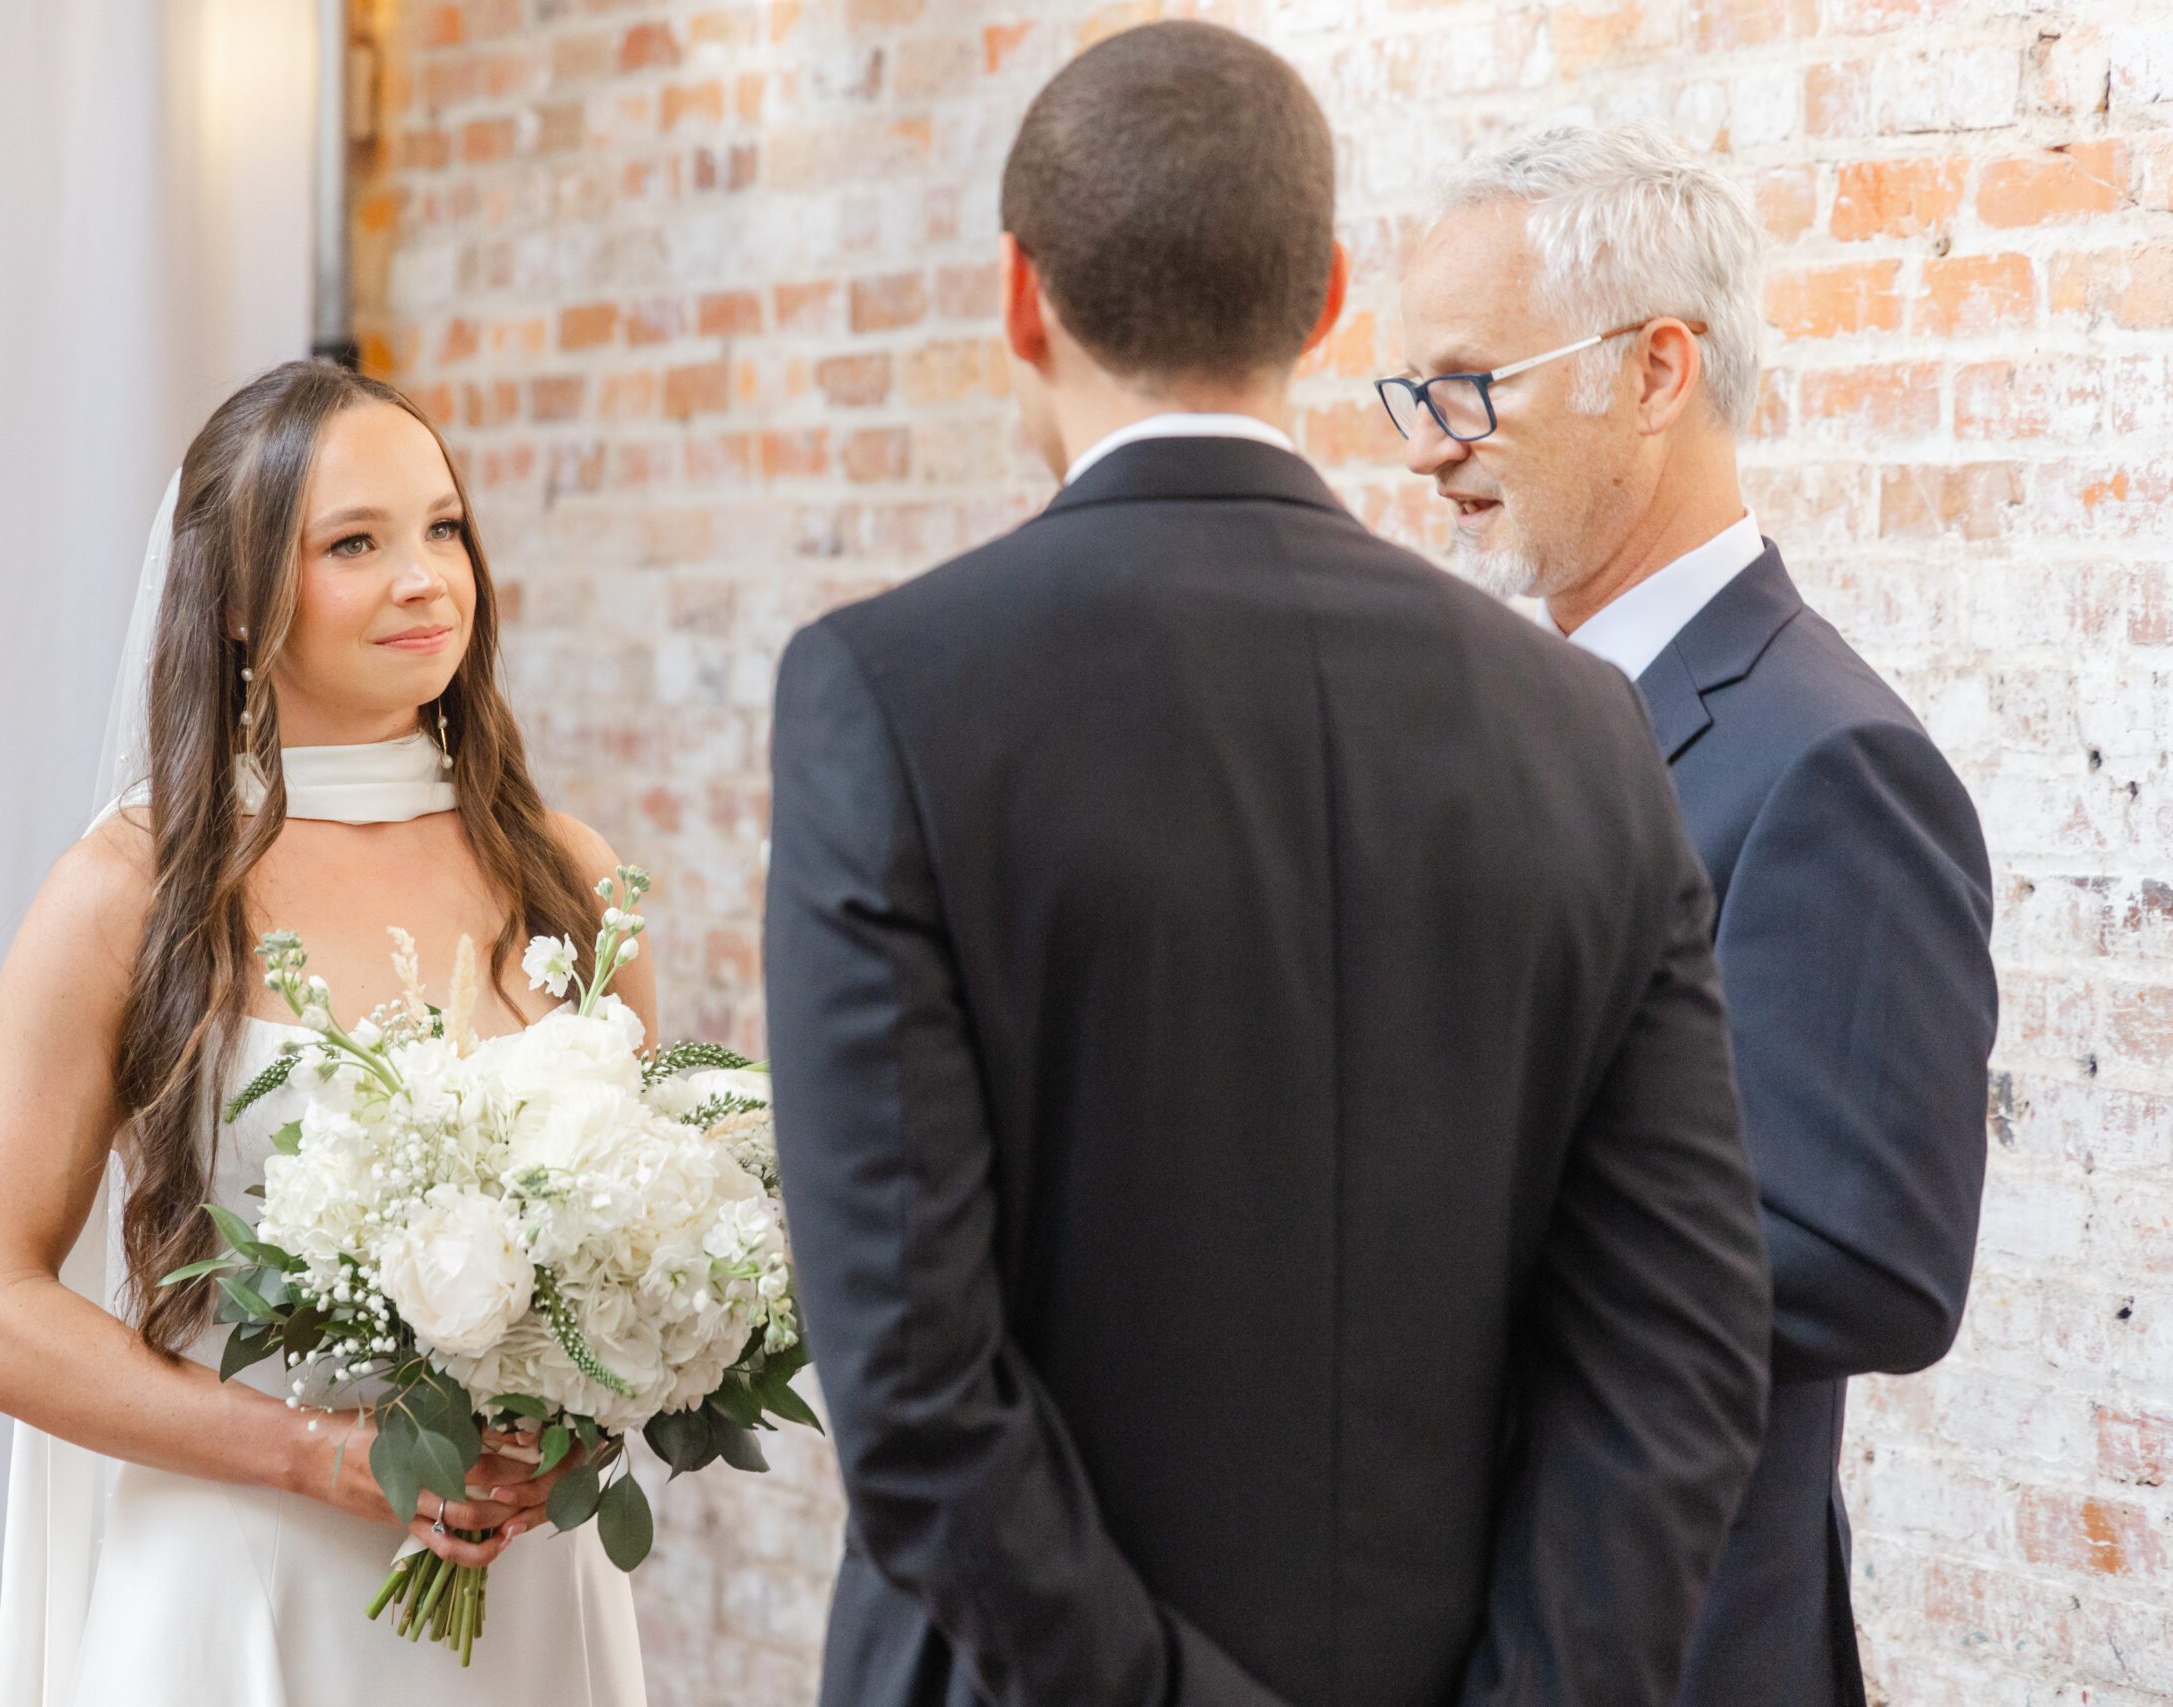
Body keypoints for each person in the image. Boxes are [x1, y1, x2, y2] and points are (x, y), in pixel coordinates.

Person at [762, 24, 1772, 1707]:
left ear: (1023, 300)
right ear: (1323, 301)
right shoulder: (1584, 726)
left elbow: (918, 1403)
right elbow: (1678, 1354)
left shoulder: (890, 698)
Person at [0, 360, 650, 1705]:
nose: (426, 577)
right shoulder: (131, 892)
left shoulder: (571, 876)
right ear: (240, 601)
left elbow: (645, 1248)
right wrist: (321, 1453)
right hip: (245, 1593)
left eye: (443, 529)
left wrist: (583, 1422)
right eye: (355, 544)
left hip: (526, 1603)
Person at [1390, 124, 2000, 1707]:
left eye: (1469, 388)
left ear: (1657, 371)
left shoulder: (1833, 759)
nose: (1425, 447)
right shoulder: (1504, 723)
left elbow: (1867, 1258)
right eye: (1410, 397)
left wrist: (1411, 1207)